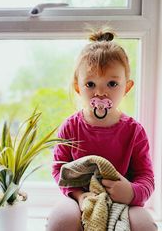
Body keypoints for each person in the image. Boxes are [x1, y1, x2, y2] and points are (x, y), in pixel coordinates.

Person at [46, 28, 157, 231]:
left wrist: (130, 192)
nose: (100, 92)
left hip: (123, 200)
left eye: (112, 83)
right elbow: (59, 169)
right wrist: (80, 196)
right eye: (90, 84)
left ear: (127, 87)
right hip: (82, 200)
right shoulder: (71, 127)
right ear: (78, 88)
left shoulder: (134, 131)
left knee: (145, 225)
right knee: (60, 221)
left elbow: (146, 178)